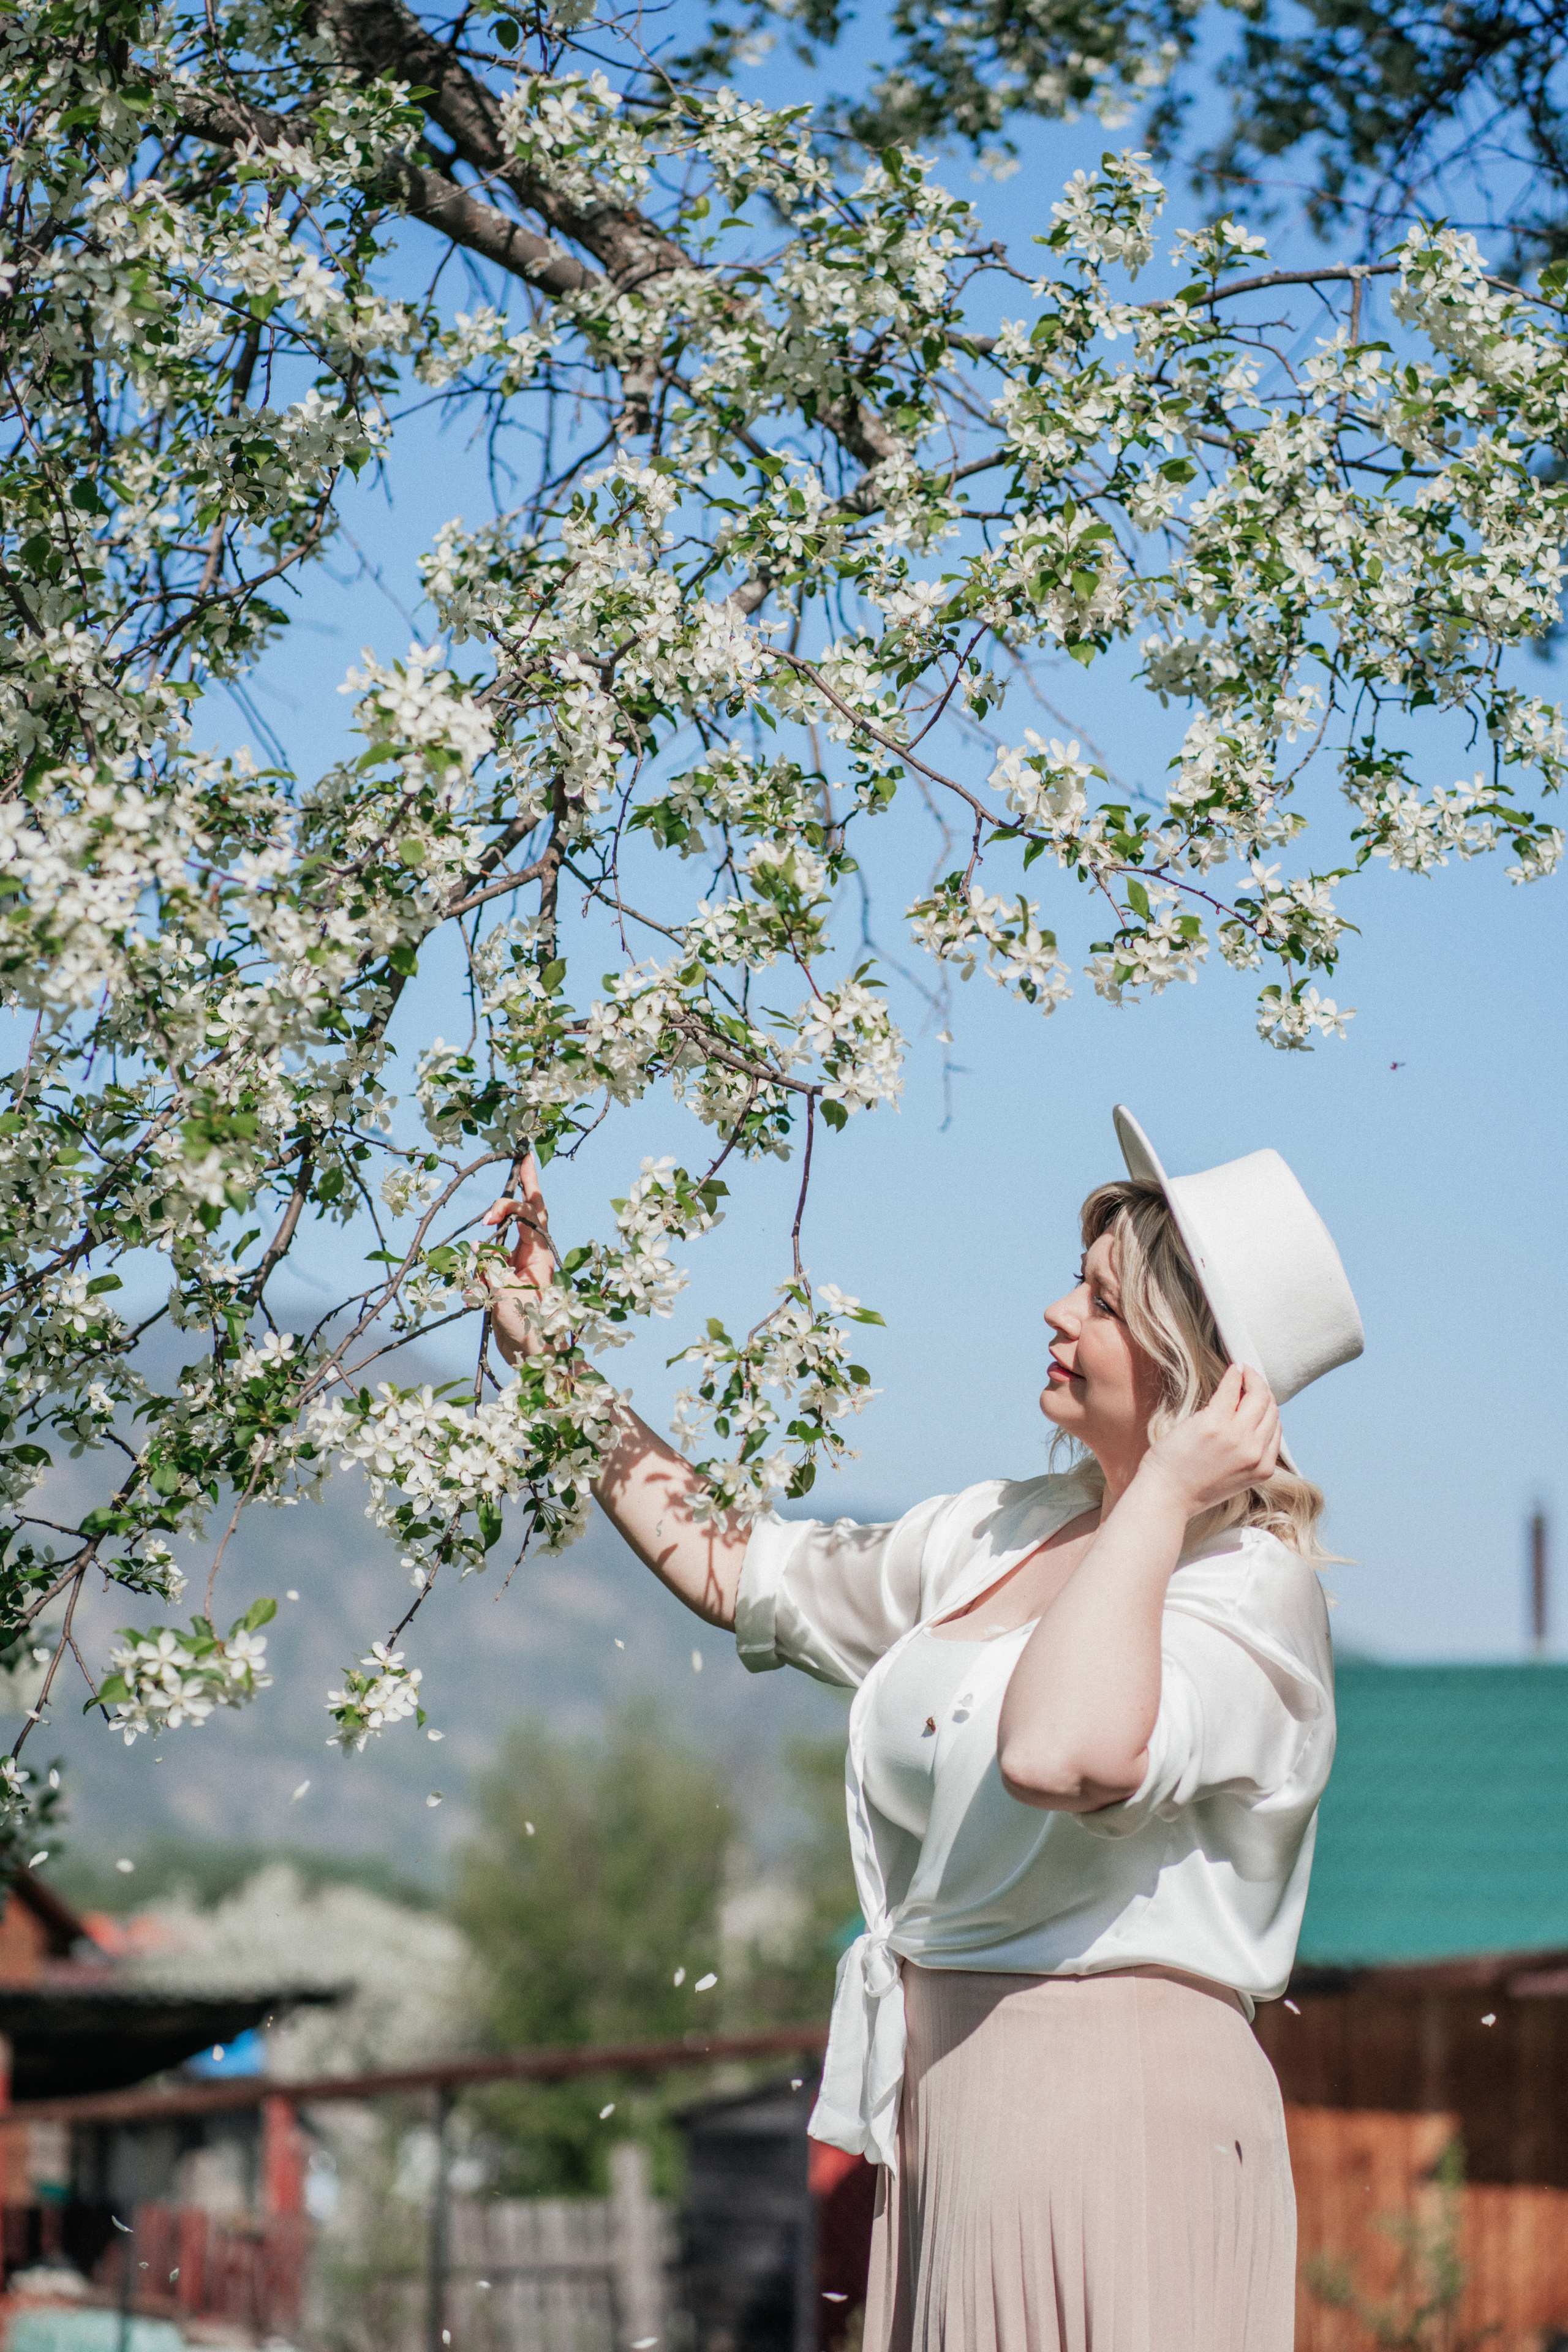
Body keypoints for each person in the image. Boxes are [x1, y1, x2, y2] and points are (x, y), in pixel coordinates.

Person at [480, 1104, 1364, 2352]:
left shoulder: (1242, 1590)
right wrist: (552, 1362)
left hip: (1125, 2120)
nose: (1058, 1315)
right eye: (1075, 1285)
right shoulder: (988, 1533)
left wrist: (1161, 1493)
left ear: (1198, 1362)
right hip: (952, 2110)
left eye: (1103, 1304)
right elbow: (736, 1567)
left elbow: (1059, 1754)